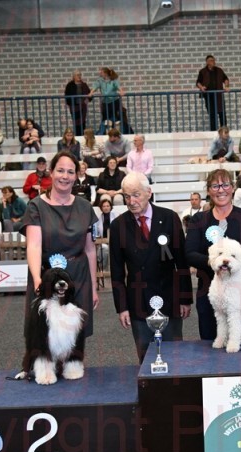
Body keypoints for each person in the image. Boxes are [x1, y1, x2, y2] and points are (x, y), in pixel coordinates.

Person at [19, 151, 99, 354]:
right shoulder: (36, 206)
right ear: (51, 172)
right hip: (46, 276)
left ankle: (73, 366)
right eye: (60, 170)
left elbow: (90, 249)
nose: (65, 176)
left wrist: (93, 286)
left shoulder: (85, 207)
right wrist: (37, 278)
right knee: (44, 331)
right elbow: (34, 245)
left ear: (77, 175)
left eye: (70, 172)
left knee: (75, 333)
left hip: (78, 276)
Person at [109, 172, 193, 363]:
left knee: (174, 354)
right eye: (127, 196)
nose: (131, 201)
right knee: (145, 357)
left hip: (169, 298)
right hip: (138, 301)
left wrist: (185, 298)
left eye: (136, 195)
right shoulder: (117, 226)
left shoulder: (170, 218)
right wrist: (122, 307)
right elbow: (117, 271)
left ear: (149, 192)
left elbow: (181, 262)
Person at [185, 169, 241, 340]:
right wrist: (215, 262)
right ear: (208, 191)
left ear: (232, 188)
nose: (221, 190)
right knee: (211, 343)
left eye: (225, 185)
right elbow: (189, 254)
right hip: (210, 295)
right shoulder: (198, 220)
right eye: (215, 186)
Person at [196, 55, 229, 131]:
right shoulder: (202, 71)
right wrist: (201, 87)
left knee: (222, 114)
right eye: (211, 60)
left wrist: (226, 86)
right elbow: (198, 82)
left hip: (219, 96)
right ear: (207, 62)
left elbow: (226, 79)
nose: (213, 62)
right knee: (212, 115)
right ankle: (213, 132)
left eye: (214, 60)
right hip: (209, 97)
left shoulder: (219, 70)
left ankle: (224, 131)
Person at [91, 67, 124, 134]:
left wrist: (121, 91)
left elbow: (118, 86)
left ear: (105, 73)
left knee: (114, 117)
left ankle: (116, 132)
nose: (100, 74)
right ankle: (104, 132)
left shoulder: (113, 80)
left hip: (114, 101)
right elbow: (95, 86)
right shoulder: (100, 80)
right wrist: (91, 92)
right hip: (105, 102)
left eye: (101, 72)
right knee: (105, 118)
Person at [65, 70, 92, 136]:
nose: (79, 76)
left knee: (83, 122)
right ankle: (77, 136)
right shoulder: (70, 85)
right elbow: (67, 96)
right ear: (74, 76)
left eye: (80, 75)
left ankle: (83, 136)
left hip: (82, 107)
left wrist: (87, 99)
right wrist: (70, 104)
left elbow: (90, 95)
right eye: (77, 75)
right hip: (74, 107)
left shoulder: (84, 85)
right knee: (76, 123)